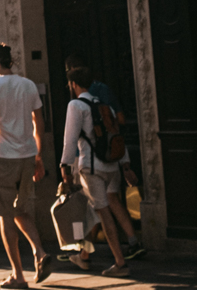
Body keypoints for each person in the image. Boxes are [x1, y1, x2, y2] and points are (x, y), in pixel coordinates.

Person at [0, 43, 52, 289]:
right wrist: (39, 156)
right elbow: (39, 122)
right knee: (20, 210)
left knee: (4, 216)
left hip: (3, 158)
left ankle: (18, 275)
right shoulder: (28, 85)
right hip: (27, 156)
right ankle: (39, 251)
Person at [60, 66, 142, 277]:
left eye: (71, 84)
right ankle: (84, 256)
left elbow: (70, 138)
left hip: (92, 167)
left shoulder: (76, 105)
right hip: (112, 165)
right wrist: (125, 164)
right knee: (94, 210)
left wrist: (65, 165)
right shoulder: (105, 106)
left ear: (75, 85)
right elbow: (116, 134)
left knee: (103, 212)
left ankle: (120, 263)